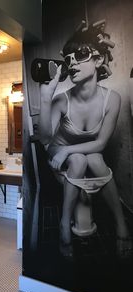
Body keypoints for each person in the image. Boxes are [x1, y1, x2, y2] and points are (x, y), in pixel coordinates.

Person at [38, 21, 133, 260]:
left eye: (81, 55)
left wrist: (68, 151)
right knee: (81, 159)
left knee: (95, 159)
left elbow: (100, 143)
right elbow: (45, 138)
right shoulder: (61, 99)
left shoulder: (112, 99)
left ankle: (121, 226)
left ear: (98, 60)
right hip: (57, 151)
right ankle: (64, 226)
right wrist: (46, 98)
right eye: (69, 59)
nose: (73, 63)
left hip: (76, 151)